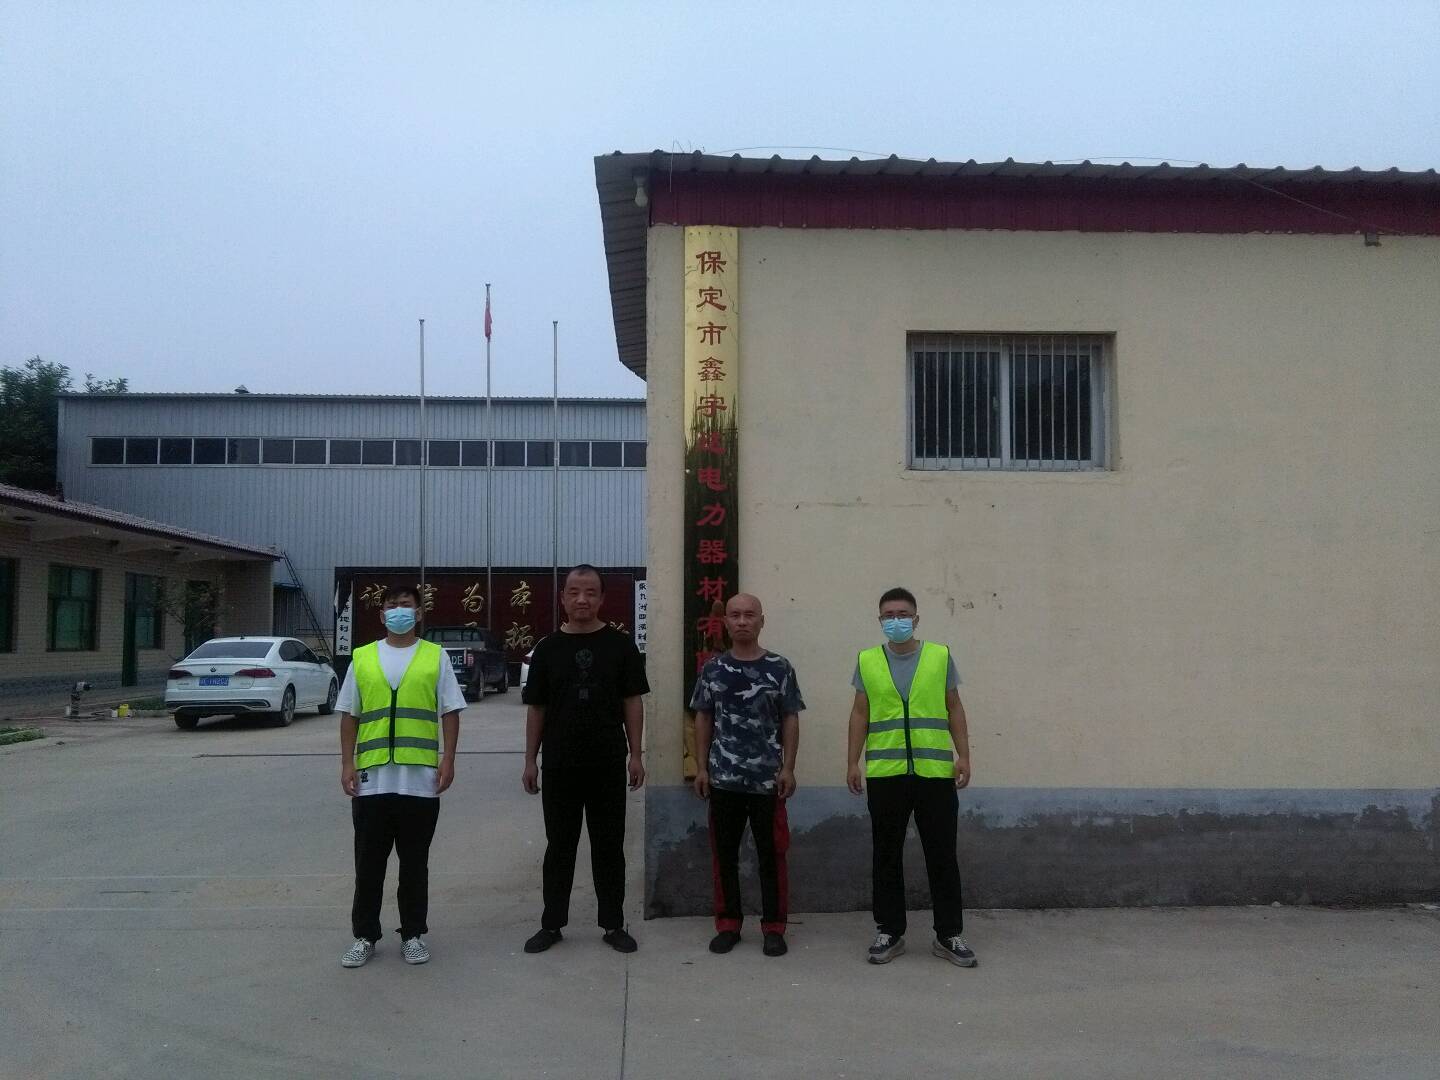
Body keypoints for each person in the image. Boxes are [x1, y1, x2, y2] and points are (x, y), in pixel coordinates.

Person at [521, 564, 649, 954]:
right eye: (574, 592)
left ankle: (612, 923)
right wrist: (530, 760)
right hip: (560, 763)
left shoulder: (620, 646)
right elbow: (537, 708)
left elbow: (632, 701)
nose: (582, 599)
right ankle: (552, 924)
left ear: (602, 598)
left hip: (607, 761)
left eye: (590, 592)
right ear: (562, 598)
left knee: (608, 846)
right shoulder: (547, 649)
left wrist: (636, 754)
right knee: (559, 845)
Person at [846, 586, 976, 968]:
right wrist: (852, 762)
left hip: (934, 772)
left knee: (942, 854)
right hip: (886, 773)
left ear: (916, 619)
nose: (896, 620)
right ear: (880, 620)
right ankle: (889, 931)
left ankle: (949, 934)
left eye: (903, 614)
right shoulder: (867, 660)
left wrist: (964, 755)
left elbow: (954, 707)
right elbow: (859, 713)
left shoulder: (939, 656)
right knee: (885, 854)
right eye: (889, 615)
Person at [337, 584, 463, 968]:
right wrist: (346, 763)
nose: (398, 611)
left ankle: (413, 934)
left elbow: (450, 711)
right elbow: (350, 715)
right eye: (391, 606)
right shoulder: (362, 658)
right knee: (368, 866)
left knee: (414, 865)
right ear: (381, 615)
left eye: (405, 605)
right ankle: (365, 936)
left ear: (419, 613)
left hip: (419, 781)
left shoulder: (435, 657)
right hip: (372, 780)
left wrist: (448, 760)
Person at [691, 593, 803, 958]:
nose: (742, 621)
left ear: (761, 621)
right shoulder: (713, 669)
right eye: (735, 615)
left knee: (772, 855)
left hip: (767, 782)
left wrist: (788, 767)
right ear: (725, 623)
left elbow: (790, 717)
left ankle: (774, 927)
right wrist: (702, 768)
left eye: (749, 615)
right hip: (723, 780)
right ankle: (728, 924)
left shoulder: (779, 668)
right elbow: (703, 717)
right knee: (724, 855)